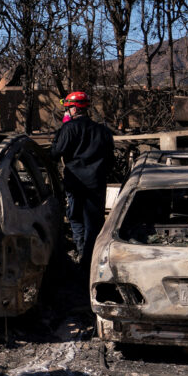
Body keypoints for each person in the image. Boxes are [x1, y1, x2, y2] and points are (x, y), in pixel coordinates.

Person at [50, 90, 114, 266]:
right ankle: (91, 260)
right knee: (94, 222)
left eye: (68, 108)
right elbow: (111, 160)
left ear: (72, 109)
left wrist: (63, 129)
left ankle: (81, 254)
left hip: (75, 183)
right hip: (96, 184)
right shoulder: (103, 131)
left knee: (76, 218)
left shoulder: (69, 128)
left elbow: (55, 153)